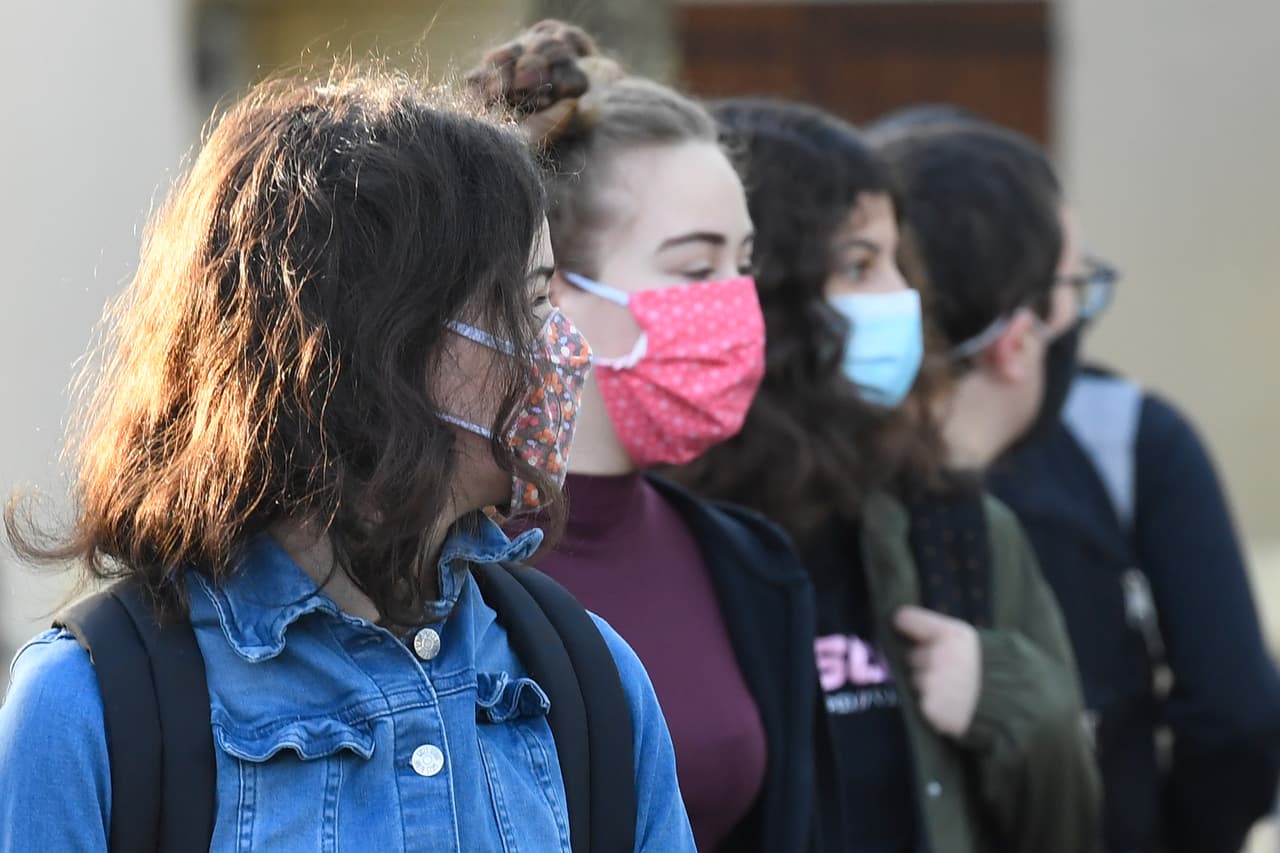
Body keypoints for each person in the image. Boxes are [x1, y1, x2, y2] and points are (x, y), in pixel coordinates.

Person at [0, 68, 696, 852]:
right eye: (529, 302)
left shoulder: (587, 678)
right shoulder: (91, 707)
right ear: (381, 338)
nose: (565, 349)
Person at [668, 98, 1100, 853]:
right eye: (860, 264)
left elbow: (1069, 828)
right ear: (770, 288)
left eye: (899, 261)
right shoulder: (659, 540)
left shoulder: (954, 525)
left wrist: (1010, 696)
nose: (901, 296)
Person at [871, 106, 1280, 853]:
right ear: (1020, 337)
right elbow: (1238, 720)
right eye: (1076, 282)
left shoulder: (789, 474)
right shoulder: (1134, 437)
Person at [466, 22, 818, 853]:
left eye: (744, 264)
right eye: (695, 270)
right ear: (555, 285)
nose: (736, 303)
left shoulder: (749, 563)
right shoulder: (449, 571)